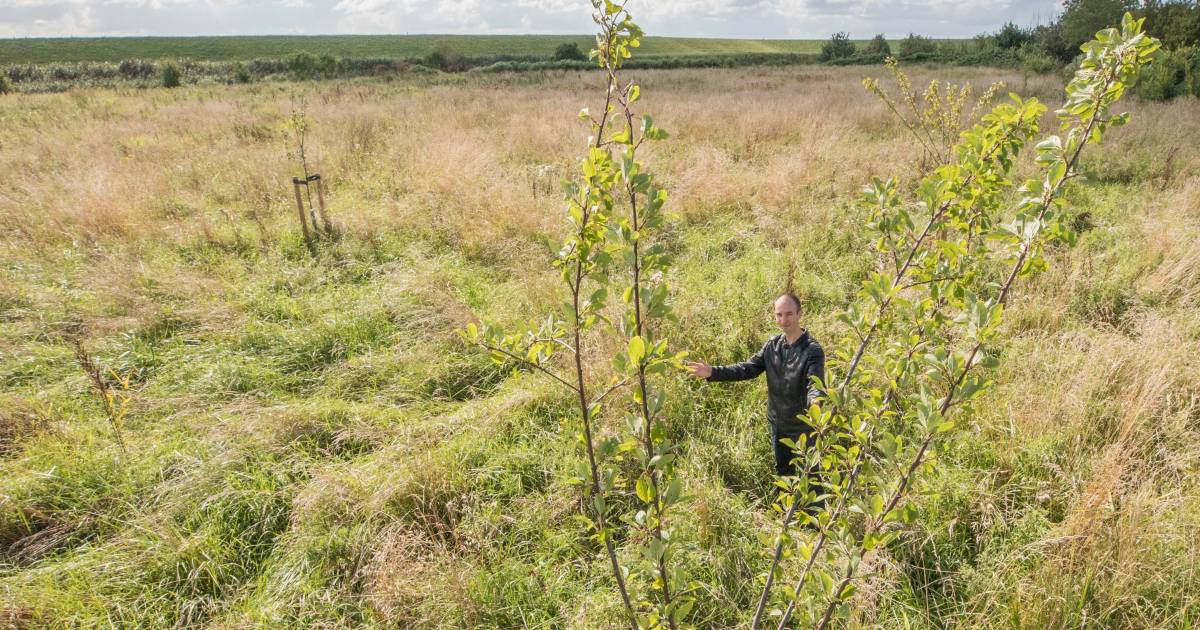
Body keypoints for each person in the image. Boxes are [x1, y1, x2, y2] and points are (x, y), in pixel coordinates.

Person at [685, 293, 826, 477]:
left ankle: (815, 507)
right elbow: (747, 369)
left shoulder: (812, 350)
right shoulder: (772, 346)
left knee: (812, 477)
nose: (784, 320)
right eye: (779, 315)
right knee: (784, 474)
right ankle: (788, 507)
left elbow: (815, 384)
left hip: (803, 429)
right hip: (778, 425)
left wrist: (815, 403)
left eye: (789, 314)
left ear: (800, 314)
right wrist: (713, 371)